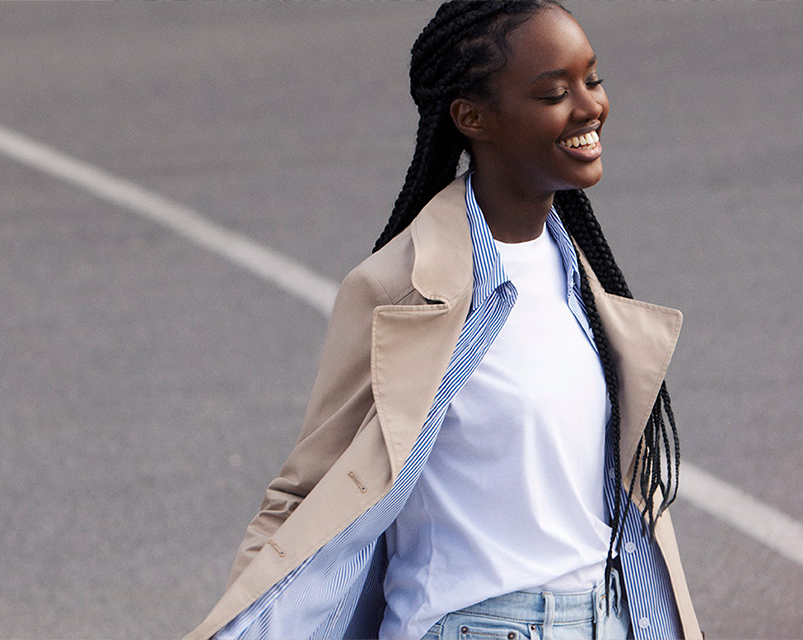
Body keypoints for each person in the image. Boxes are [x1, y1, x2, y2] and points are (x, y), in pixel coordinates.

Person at [185, 2, 701, 639]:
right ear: (472, 117)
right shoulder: (400, 290)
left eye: (591, 80)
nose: (589, 107)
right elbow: (306, 491)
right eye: (553, 93)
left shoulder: (582, 281)